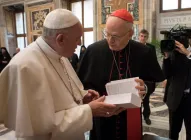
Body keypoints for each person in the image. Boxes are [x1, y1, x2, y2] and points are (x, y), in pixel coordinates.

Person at [0, 9, 122, 140]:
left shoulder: (60, 54)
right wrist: (88, 111)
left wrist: (82, 97)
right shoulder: (24, 67)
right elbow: (39, 127)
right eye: (77, 38)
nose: (80, 43)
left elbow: (62, 98)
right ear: (61, 39)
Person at [78, 9, 164, 140]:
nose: (110, 41)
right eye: (107, 34)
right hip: (102, 115)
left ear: (130, 33)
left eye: (116, 36)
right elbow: (82, 83)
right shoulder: (93, 50)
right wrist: (89, 95)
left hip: (131, 115)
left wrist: (145, 88)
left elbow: (152, 80)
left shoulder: (144, 52)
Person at [138, 29, 157, 125]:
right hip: (137, 76)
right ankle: (137, 117)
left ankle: (146, 116)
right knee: (137, 99)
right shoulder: (134, 47)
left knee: (146, 99)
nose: (143, 38)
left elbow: (154, 62)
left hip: (147, 78)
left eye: (145, 36)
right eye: (141, 36)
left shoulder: (151, 48)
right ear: (138, 36)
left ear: (147, 37)